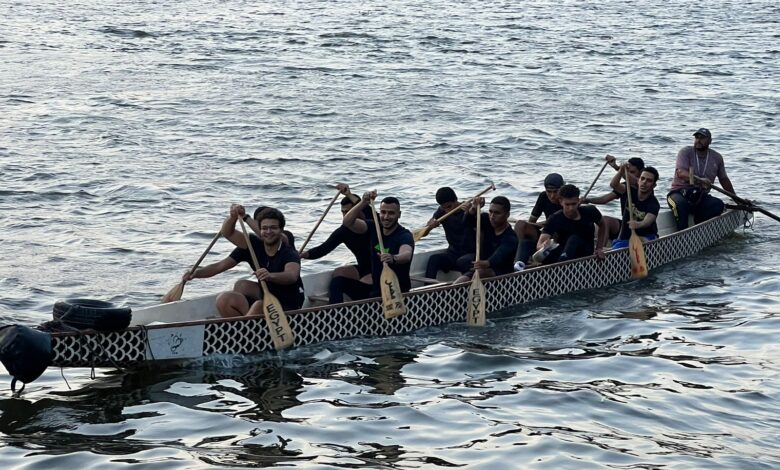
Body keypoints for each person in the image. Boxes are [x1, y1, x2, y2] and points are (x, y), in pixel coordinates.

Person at [204, 205, 304, 316]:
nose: (268, 231)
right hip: (267, 296)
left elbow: (291, 276)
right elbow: (227, 233)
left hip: (290, 304)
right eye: (264, 228)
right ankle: (247, 323)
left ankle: (247, 324)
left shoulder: (287, 245)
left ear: (280, 230)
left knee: (259, 305)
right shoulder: (252, 245)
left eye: (273, 227)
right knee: (225, 297)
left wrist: (245, 217)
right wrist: (233, 217)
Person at [328, 191, 414, 304]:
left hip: (396, 292)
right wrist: (363, 202)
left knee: (373, 296)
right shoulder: (374, 227)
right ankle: (336, 312)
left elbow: (406, 254)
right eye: (383, 212)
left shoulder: (404, 235)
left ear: (399, 214)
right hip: (375, 289)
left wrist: (393, 258)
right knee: (338, 282)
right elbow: (347, 222)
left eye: (391, 213)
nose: (386, 217)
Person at [667, 128, 738, 230]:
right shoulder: (685, 152)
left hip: (699, 196)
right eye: (697, 137)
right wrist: (700, 180)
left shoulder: (717, 158)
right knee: (681, 205)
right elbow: (681, 173)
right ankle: (682, 234)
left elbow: (724, 179)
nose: (698, 140)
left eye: (702, 138)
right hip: (678, 193)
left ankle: (698, 229)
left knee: (718, 205)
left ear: (710, 141)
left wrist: (736, 199)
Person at [300, 183, 373, 284]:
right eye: (343, 212)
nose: (345, 216)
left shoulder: (373, 221)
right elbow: (323, 249)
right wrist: (302, 255)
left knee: (365, 282)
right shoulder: (343, 232)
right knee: (338, 273)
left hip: (382, 268)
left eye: (348, 212)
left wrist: (349, 194)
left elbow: (365, 206)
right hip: (364, 269)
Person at [537, 184, 609, 264]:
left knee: (574, 239)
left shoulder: (590, 211)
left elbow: (603, 224)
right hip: (564, 252)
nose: (571, 208)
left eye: (573, 204)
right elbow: (539, 244)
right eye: (567, 204)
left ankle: (562, 265)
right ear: (561, 202)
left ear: (578, 200)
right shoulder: (554, 218)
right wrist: (544, 245)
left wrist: (599, 248)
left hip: (585, 251)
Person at [454, 196, 519, 283]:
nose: (492, 216)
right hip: (481, 268)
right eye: (490, 212)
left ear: (507, 215)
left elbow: (499, 256)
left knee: (480, 273)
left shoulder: (511, 237)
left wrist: (487, 262)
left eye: (497, 213)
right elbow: (467, 223)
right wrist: (473, 209)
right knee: (460, 280)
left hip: (502, 273)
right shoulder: (485, 220)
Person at [582, 156, 645, 242]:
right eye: (628, 171)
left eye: (633, 172)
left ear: (641, 172)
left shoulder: (645, 185)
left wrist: (617, 168)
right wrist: (588, 200)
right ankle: (601, 248)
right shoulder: (624, 186)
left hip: (642, 227)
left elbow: (632, 181)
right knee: (605, 220)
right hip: (626, 226)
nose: (629, 174)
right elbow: (605, 199)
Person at [423, 187, 473, 279]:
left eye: (449, 206)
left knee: (463, 261)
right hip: (453, 253)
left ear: (456, 200)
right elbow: (424, 232)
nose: (447, 210)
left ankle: (465, 286)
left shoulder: (469, 210)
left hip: (470, 254)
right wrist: (430, 226)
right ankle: (429, 287)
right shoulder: (441, 211)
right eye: (444, 207)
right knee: (434, 259)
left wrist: (470, 213)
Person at [514, 173, 564, 264]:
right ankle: (517, 255)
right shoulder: (543, 197)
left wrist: (548, 223)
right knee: (520, 224)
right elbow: (532, 221)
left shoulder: (566, 200)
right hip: (545, 234)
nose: (552, 196)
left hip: (560, 236)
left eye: (555, 192)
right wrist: (543, 224)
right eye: (549, 191)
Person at [610, 165, 661, 248]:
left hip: (648, 237)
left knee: (620, 246)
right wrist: (621, 171)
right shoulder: (629, 192)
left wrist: (638, 224)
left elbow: (647, 222)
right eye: (642, 178)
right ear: (638, 180)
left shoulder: (653, 203)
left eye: (649, 180)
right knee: (616, 245)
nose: (644, 182)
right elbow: (614, 185)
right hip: (627, 238)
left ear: (654, 185)